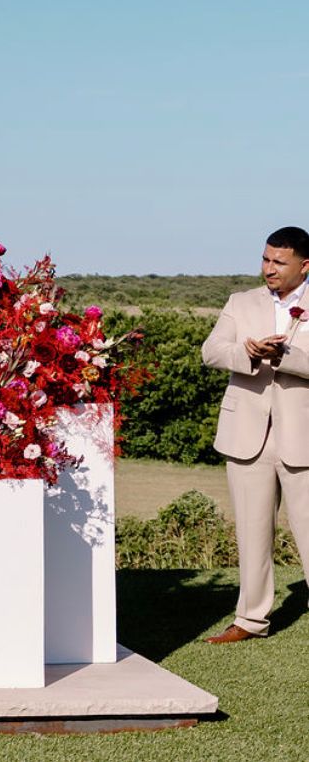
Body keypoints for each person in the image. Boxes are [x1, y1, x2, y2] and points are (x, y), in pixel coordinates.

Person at [202, 226, 309, 643]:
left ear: (304, 265)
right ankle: (250, 620)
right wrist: (245, 352)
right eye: (265, 259)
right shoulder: (239, 302)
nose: (268, 269)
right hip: (246, 434)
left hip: (302, 435)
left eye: (279, 262)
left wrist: (286, 357)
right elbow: (211, 351)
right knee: (251, 531)